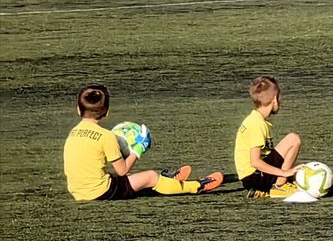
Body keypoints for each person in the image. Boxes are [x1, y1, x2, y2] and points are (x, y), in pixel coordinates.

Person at [65, 84, 221, 200]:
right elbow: (122, 170)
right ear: (107, 112)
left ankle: (169, 181)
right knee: (150, 176)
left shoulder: (73, 133)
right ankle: (197, 186)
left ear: (78, 110)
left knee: (131, 179)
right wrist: (138, 149)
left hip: (77, 191)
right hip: (98, 192)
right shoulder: (106, 136)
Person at [234, 76, 304, 199]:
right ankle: (279, 186)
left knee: (301, 169)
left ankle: (267, 187)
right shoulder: (257, 124)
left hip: (253, 177)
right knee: (293, 139)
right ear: (275, 100)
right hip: (254, 177)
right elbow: (255, 162)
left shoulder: (255, 119)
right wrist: (284, 173)